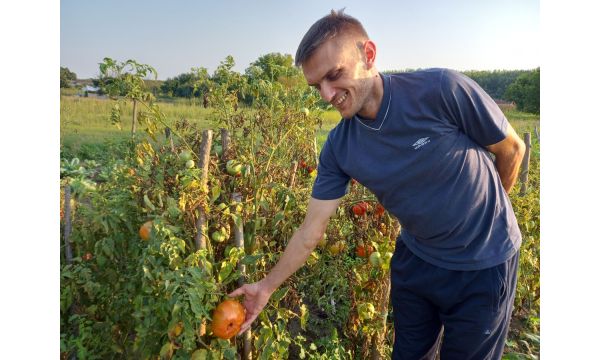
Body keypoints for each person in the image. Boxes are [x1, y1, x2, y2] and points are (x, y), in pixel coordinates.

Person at [229, 9, 525, 359]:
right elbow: (310, 231)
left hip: (483, 265)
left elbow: (511, 149)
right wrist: (266, 287)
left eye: (334, 75)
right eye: (316, 86)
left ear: (368, 55)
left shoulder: (441, 90)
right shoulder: (340, 147)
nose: (326, 94)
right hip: (417, 260)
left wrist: (489, 216)